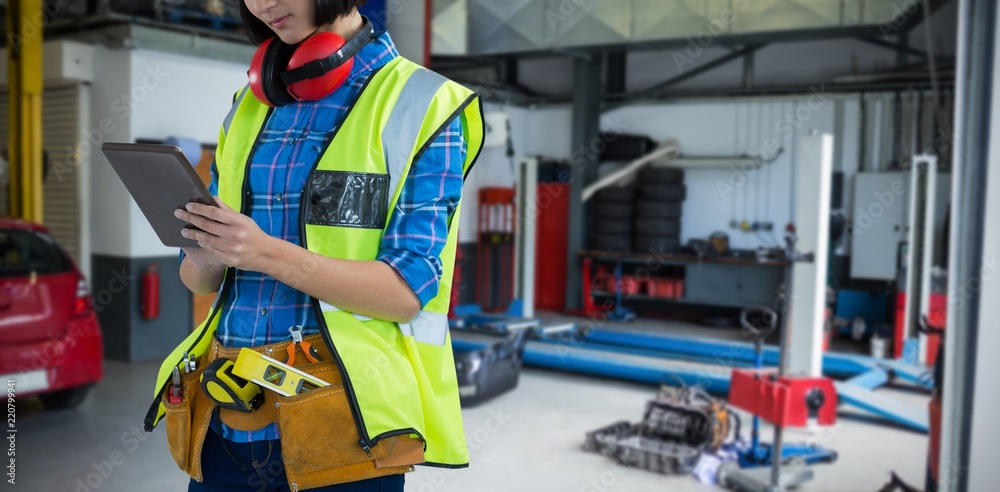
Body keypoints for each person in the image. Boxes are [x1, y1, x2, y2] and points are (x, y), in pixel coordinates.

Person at [144, 1, 485, 491]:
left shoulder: (425, 103)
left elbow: (405, 293)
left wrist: (262, 252)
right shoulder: (248, 105)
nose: (262, 4)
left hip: (347, 430)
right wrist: (206, 250)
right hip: (224, 420)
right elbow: (196, 276)